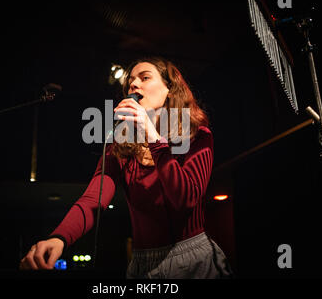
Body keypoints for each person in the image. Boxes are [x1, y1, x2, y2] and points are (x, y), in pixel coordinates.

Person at [20, 56, 233, 278]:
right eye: (130, 81)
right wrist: (59, 237)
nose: (133, 84)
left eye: (145, 77)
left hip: (194, 261)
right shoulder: (119, 147)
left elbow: (186, 198)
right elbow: (94, 198)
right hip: (143, 266)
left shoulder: (196, 136)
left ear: (170, 88)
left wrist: (152, 134)